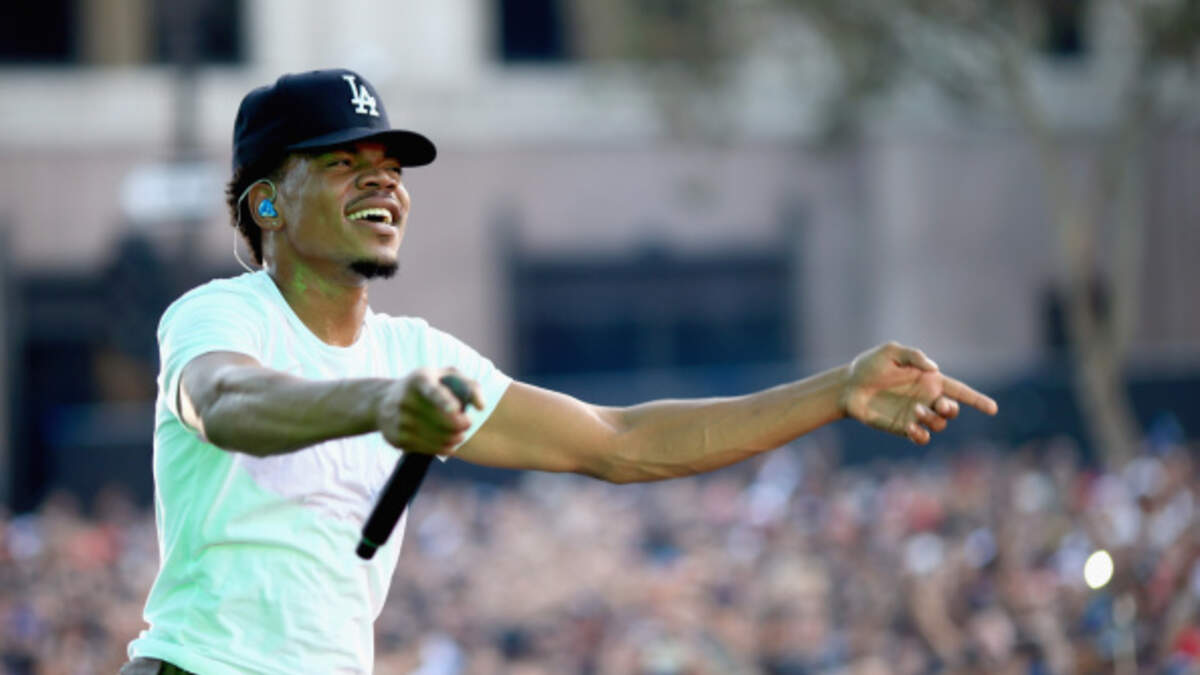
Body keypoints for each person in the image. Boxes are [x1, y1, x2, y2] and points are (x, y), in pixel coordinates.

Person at [122, 68, 998, 675]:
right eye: (343, 163)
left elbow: (619, 441)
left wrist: (835, 391)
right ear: (267, 201)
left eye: (389, 168)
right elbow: (228, 400)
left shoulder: (417, 352)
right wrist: (380, 403)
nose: (381, 183)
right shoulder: (222, 315)